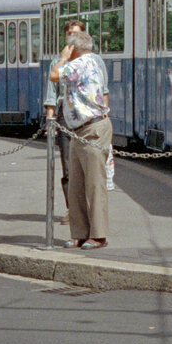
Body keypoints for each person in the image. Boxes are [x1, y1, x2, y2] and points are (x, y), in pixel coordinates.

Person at [50, 30, 110, 250]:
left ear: (73, 48)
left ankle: (99, 235)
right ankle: (80, 233)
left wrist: (64, 58)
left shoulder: (82, 63)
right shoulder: (90, 62)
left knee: (94, 184)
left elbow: (54, 75)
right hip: (79, 130)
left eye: (67, 46)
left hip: (92, 129)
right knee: (77, 185)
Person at [46, 19, 85, 224]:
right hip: (64, 116)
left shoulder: (90, 62)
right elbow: (51, 94)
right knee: (68, 166)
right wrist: (50, 119)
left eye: (76, 34)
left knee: (88, 167)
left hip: (86, 117)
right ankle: (72, 210)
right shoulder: (57, 63)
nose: (72, 37)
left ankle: (87, 210)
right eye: (69, 34)